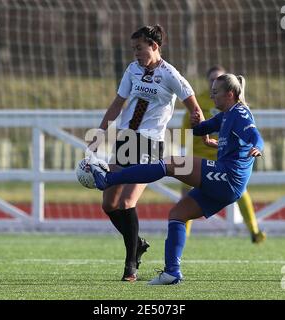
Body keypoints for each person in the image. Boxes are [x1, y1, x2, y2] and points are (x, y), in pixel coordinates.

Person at [90, 73, 264, 285]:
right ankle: (172, 272)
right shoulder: (225, 115)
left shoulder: (240, 113)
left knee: (171, 164)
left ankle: (110, 177)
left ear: (229, 94)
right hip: (227, 184)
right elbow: (201, 129)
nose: (211, 95)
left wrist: (257, 148)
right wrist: (198, 124)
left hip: (228, 176)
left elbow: (255, 136)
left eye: (215, 92)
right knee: (177, 214)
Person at [87, 25, 206, 282]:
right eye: (133, 49)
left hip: (149, 144)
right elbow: (118, 104)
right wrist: (99, 133)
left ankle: (131, 265)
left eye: (139, 48)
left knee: (128, 202)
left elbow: (194, 106)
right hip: (125, 141)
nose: (135, 54)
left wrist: (203, 129)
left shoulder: (170, 74)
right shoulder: (132, 70)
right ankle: (137, 243)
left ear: (154, 46)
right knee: (108, 204)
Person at [182, 65, 266, 243]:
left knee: (241, 192)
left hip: (224, 157)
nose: (214, 83)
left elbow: (254, 135)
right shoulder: (200, 101)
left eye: (218, 79)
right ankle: (184, 234)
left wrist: (256, 146)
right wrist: (193, 127)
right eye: (212, 79)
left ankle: (254, 230)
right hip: (200, 154)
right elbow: (189, 128)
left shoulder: (235, 111)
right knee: (187, 194)